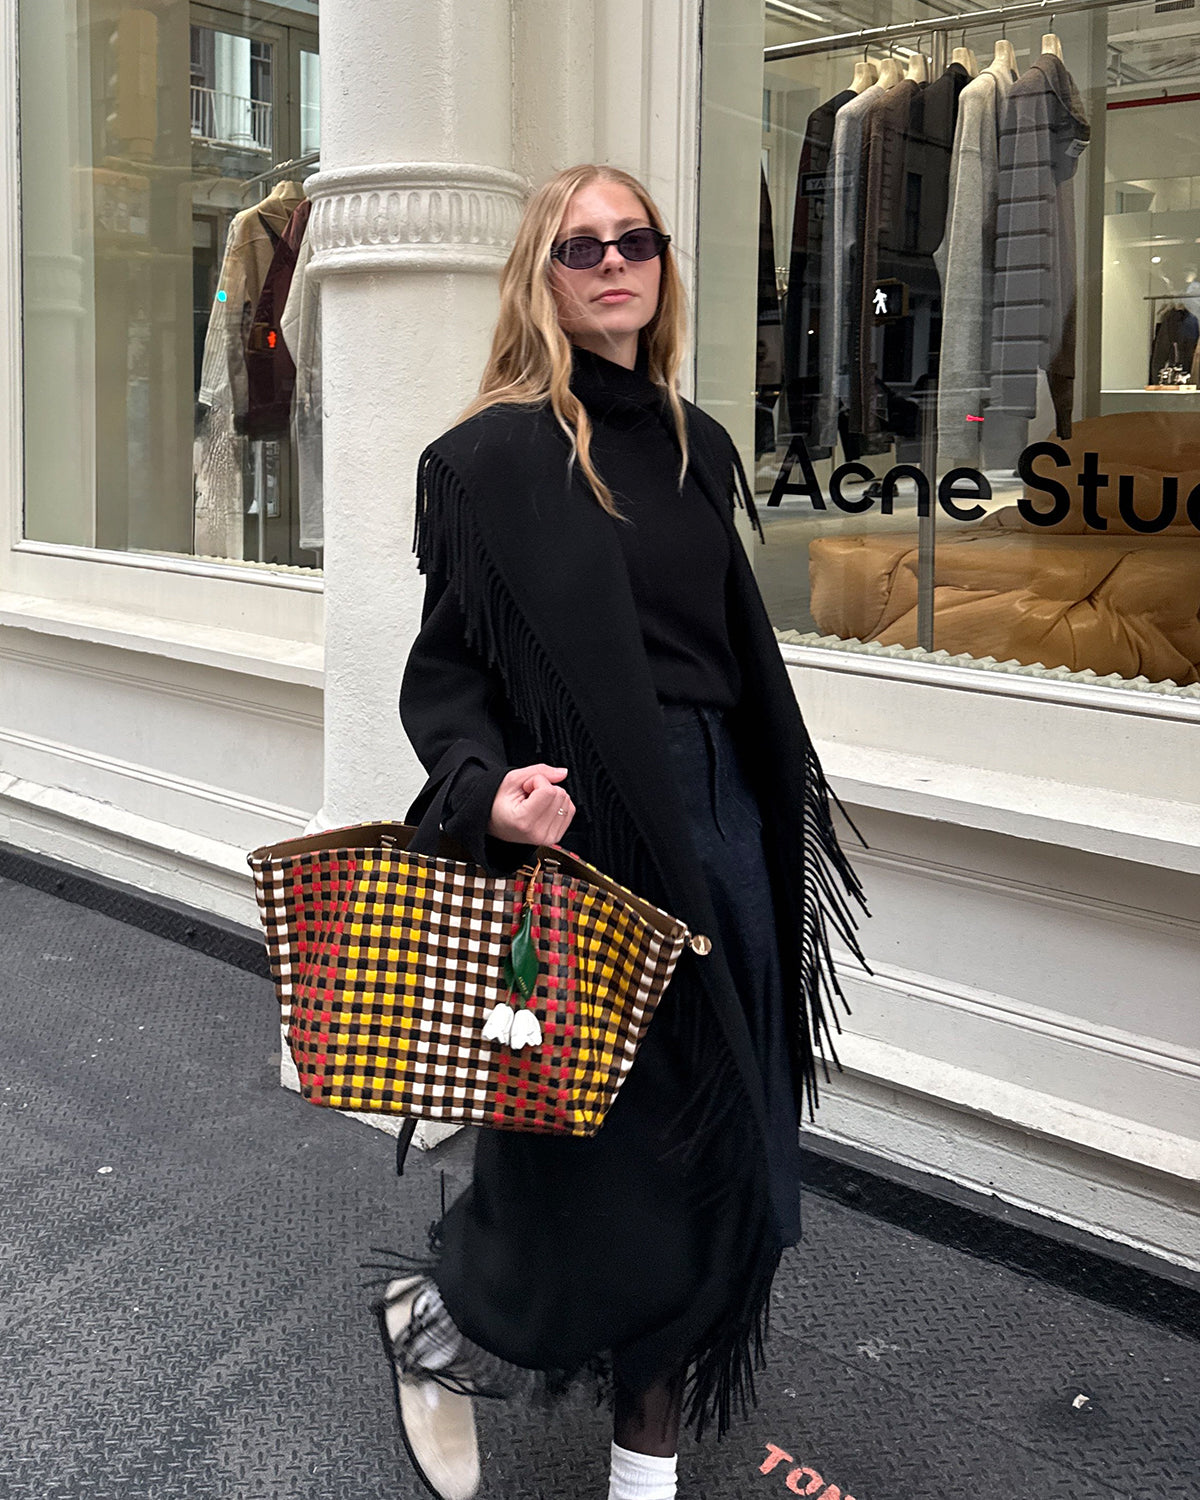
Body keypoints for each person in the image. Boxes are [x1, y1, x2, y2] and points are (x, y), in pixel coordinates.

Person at [378, 163, 866, 1500]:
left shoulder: (697, 444)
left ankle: (641, 1480)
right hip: (593, 844)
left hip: (727, 828)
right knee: (608, 1181)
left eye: (634, 241)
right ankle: (439, 1321)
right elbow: (446, 679)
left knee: (728, 1170)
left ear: (661, 266)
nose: (613, 264)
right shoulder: (488, 462)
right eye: (581, 246)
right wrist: (485, 792)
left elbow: (725, 657)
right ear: (540, 276)